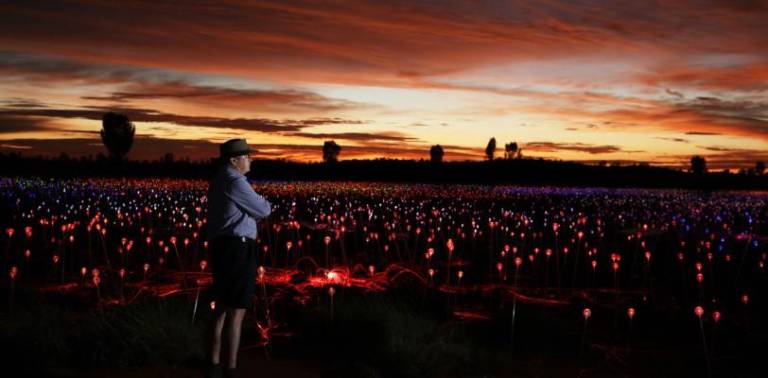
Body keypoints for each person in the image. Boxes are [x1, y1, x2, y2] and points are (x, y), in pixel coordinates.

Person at [206, 139, 271, 378]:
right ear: (234, 160)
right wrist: (261, 205)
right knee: (237, 311)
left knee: (222, 307)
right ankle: (230, 369)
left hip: (222, 248)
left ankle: (213, 365)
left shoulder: (218, 179)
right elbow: (264, 210)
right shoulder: (235, 181)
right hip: (236, 250)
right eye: (246, 156)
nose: (251, 159)